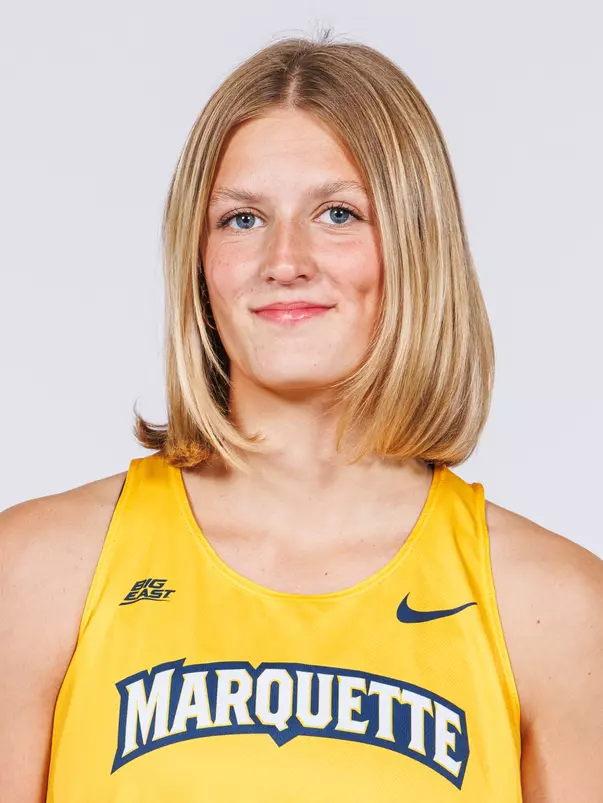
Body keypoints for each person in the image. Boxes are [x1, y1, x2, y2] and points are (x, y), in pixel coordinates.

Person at [1, 30, 601, 803]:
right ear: (199, 261)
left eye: (339, 213)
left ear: (416, 248)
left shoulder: (553, 606)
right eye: (242, 219)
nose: (285, 259)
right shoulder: (37, 571)